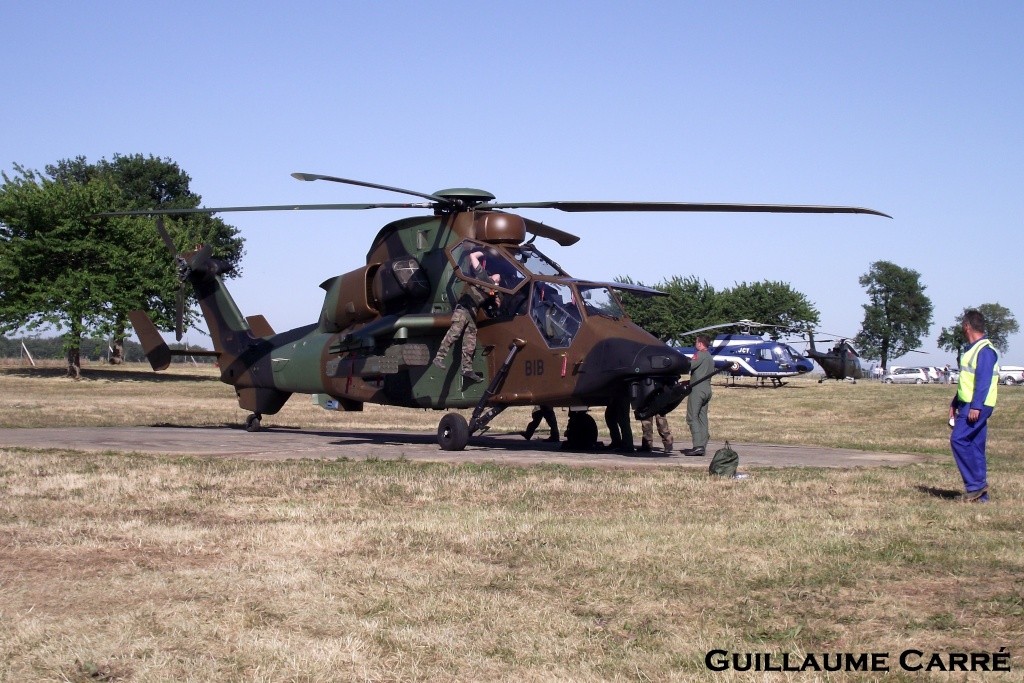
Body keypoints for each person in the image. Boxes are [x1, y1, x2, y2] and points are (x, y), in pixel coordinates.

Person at [949, 309, 1000, 502]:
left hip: (977, 404)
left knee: (958, 440)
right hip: (970, 402)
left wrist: (975, 407)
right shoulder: (973, 350)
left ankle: (975, 486)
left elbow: (983, 381)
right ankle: (982, 498)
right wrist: (955, 401)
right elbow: (968, 381)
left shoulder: (984, 350)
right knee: (975, 445)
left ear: (967, 326)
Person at [432, 250, 497, 383]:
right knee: (454, 333)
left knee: (470, 342)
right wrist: (485, 251)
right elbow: (473, 256)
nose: (499, 277)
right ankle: (439, 358)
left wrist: (495, 292)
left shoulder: (493, 293)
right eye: (497, 276)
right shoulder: (483, 277)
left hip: (472, 312)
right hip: (463, 308)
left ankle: (467, 369)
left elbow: (496, 304)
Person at [681, 334, 714, 456]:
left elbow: (689, 365)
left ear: (700, 343)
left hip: (698, 389)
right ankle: (703, 444)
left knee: (692, 417)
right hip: (707, 388)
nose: (695, 344)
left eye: (696, 342)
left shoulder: (699, 355)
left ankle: (697, 445)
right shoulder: (710, 357)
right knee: (702, 418)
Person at [604, 388, 634, 453]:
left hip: (623, 391)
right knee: (610, 416)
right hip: (617, 392)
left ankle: (628, 445)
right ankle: (616, 441)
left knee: (623, 419)